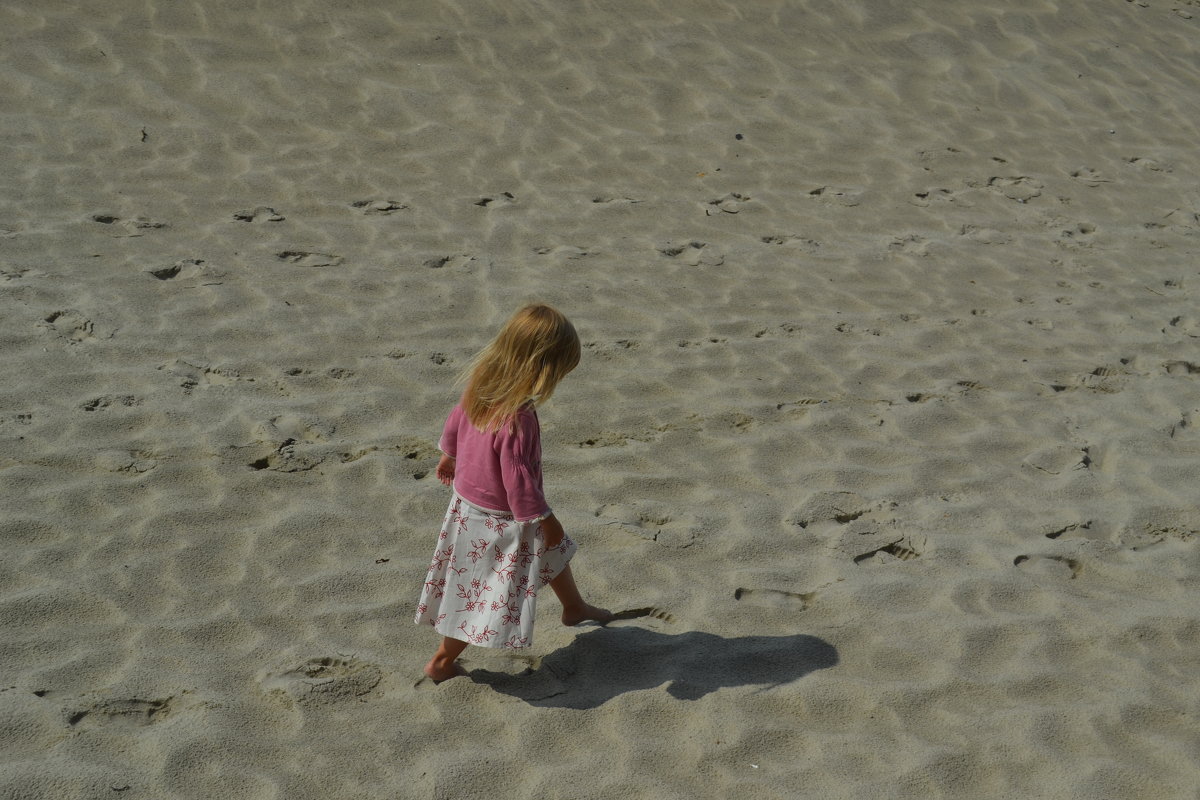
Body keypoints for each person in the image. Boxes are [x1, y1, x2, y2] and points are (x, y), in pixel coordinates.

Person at [414, 303, 612, 682]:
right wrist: (544, 518)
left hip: (468, 505)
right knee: (479, 593)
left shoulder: (482, 386)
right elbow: (517, 478)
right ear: (541, 370)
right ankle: (442, 659)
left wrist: (448, 455)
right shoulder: (517, 419)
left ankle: (574, 607)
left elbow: (456, 419)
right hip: (500, 520)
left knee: (554, 550)